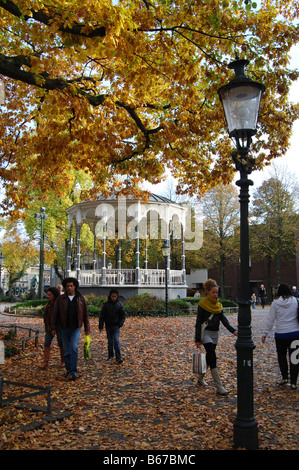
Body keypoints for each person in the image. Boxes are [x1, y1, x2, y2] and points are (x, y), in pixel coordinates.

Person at [195, 279, 237, 395]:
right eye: (213, 292)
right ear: (207, 292)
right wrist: (197, 339)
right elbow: (198, 322)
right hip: (206, 333)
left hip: (215, 334)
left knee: (210, 357)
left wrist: (234, 331)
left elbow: (224, 321)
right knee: (213, 357)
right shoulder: (202, 304)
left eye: (216, 292)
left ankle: (200, 377)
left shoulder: (219, 306)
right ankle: (219, 386)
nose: (215, 294)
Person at [51, 277, 90, 381]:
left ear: (75, 286)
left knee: (73, 347)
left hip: (76, 327)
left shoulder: (80, 298)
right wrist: (53, 327)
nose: (69, 288)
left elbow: (85, 315)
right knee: (67, 350)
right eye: (67, 286)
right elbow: (55, 314)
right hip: (64, 327)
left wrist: (87, 330)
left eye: (71, 286)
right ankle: (68, 370)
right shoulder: (61, 299)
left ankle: (73, 371)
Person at [262, 283, 299, 390]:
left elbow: (270, 320)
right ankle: (294, 382)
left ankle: (284, 377)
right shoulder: (295, 301)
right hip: (295, 334)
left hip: (281, 334)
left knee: (282, 356)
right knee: (294, 358)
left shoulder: (275, 303)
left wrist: (265, 333)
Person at [39, 287, 64, 370]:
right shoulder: (48, 304)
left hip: (59, 327)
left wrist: (55, 328)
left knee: (61, 343)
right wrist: (49, 328)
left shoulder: (59, 304)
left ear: (54, 295)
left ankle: (63, 360)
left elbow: (60, 317)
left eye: (50, 295)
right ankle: (45, 362)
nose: (48, 296)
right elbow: (46, 317)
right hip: (50, 327)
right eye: (48, 295)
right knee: (47, 343)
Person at [99, 289, 125, 364]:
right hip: (108, 325)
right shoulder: (106, 305)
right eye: (112, 296)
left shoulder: (119, 305)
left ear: (117, 297)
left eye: (115, 297)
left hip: (116, 325)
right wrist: (101, 326)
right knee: (110, 341)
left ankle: (118, 357)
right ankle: (110, 355)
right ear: (110, 296)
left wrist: (120, 324)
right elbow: (102, 316)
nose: (114, 298)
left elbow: (122, 315)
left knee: (116, 341)